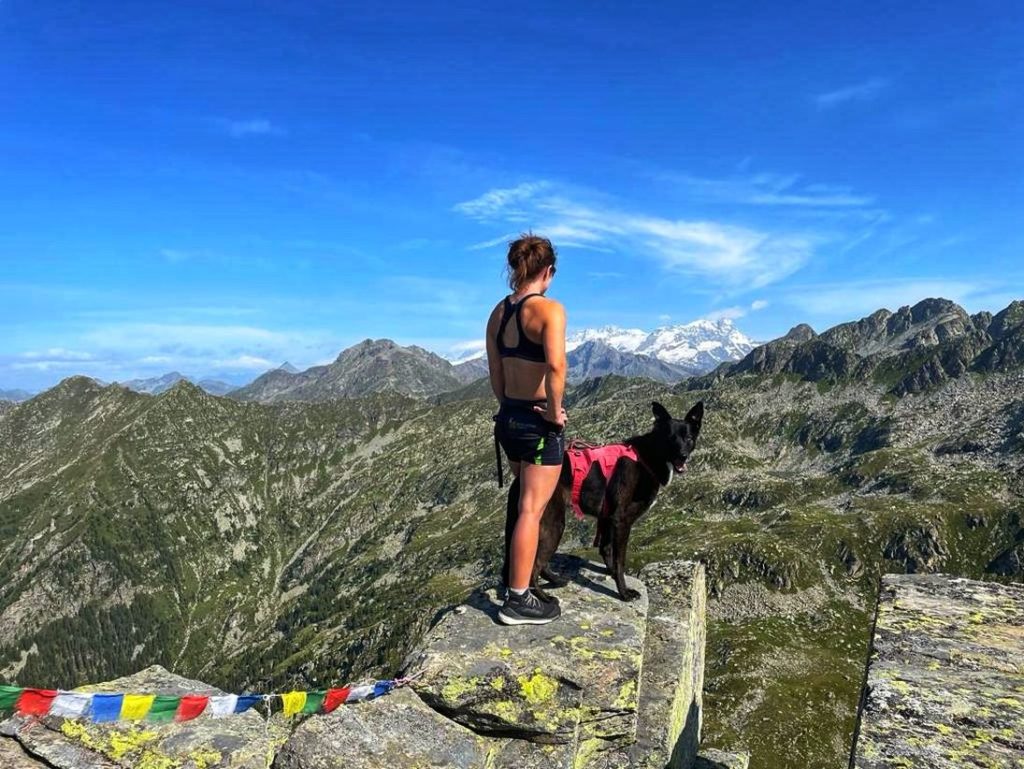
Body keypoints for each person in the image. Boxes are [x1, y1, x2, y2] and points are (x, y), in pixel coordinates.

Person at [486, 234, 567, 625]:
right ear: (547, 272)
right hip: (537, 423)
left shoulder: (498, 313)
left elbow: (496, 371)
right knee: (531, 509)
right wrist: (553, 414)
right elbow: (556, 368)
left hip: (508, 419)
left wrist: (508, 405)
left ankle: (514, 582)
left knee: (524, 503)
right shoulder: (550, 311)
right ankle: (518, 599)